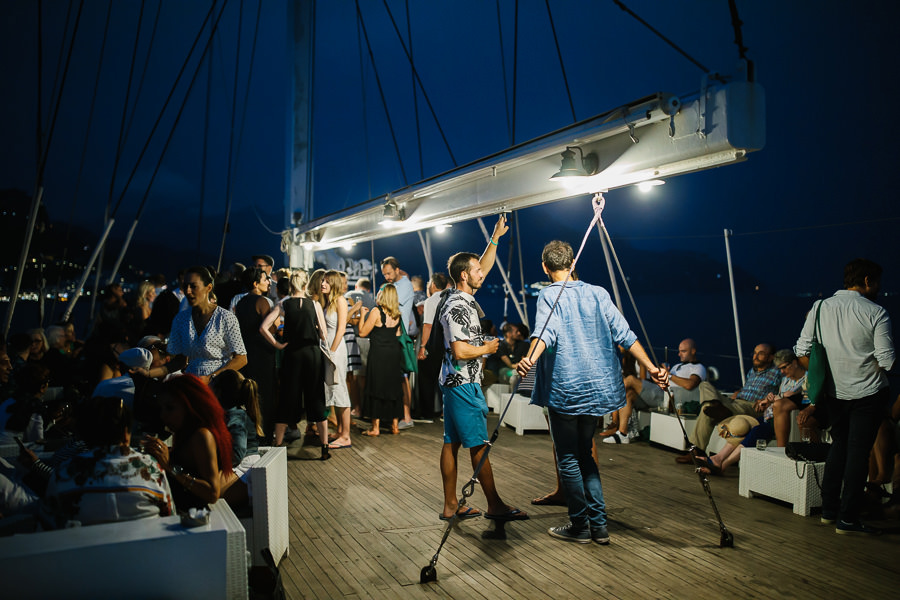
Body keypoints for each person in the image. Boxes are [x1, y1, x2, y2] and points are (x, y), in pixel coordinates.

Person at [517, 240, 667, 543]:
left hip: (566, 388)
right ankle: (599, 526)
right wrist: (651, 367)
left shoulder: (549, 294)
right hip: (597, 388)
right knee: (585, 454)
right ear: (573, 264)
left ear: (545, 268)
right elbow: (625, 334)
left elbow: (547, 332)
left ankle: (580, 526)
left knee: (569, 458)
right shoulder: (599, 293)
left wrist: (530, 359)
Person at [437, 215, 527, 523]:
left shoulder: (457, 296)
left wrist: (495, 239)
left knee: (451, 442)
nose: (482, 274)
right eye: (476, 271)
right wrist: (488, 347)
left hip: (453, 383)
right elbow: (460, 350)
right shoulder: (458, 307)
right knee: (478, 443)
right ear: (464, 276)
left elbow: (483, 265)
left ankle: (451, 505)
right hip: (463, 383)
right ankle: (495, 505)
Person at [795, 258, 894, 535]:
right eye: (877, 282)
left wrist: (829, 373)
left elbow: (802, 350)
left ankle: (829, 511)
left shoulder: (820, 306)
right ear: (866, 281)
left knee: (839, 445)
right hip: (868, 393)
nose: (878, 287)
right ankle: (848, 518)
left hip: (833, 393)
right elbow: (886, 361)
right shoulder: (877, 312)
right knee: (858, 453)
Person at [43, 396, 174, 528]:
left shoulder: (63, 472)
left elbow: (48, 527)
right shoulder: (151, 468)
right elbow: (170, 518)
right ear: (125, 433)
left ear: (84, 434)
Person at [259, 270, 331, 459]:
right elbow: (324, 335)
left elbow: (263, 328)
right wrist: (315, 329)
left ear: (291, 285)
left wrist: (278, 345)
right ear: (306, 285)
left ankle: (278, 445)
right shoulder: (314, 304)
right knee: (316, 397)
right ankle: (324, 448)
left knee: (287, 397)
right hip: (312, 354)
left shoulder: (284, 304)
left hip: (292, 355)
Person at [701, 349, 806, 475]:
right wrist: (767, 400)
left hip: (781, 420)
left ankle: (723, 465)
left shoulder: (806, 379)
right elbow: (779, 398)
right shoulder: (786, 380)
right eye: (780, 369)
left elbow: (796, 398)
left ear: (794, 363)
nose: (782, 372)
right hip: (768, 415)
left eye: (784, 368)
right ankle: (718, 458)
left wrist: (779, 398)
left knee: (756, 431)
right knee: (742, 427)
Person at [144, 374, 239, 510]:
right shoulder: (184, 432)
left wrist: (171, 467)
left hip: (192, 519)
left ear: (190, 404)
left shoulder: (201, 436)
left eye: (170, 408)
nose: (163, 415)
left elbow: (212, 493)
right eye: (161, 409)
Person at [675, 343, 781, 463]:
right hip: (735, 402)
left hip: (752, 406)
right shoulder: (753, 371)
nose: (755, 356)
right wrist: (739, 391)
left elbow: (784, 391)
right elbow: (749, 388)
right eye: (754, 353)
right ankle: (716, 405)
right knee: (704, 386)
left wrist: (766, 401)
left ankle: (696, 451)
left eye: (760, 354)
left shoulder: (778, 372)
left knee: (707, 410)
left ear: (771, 357)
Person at [613, 338, 706, 443]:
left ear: (693, 351)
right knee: (628, 394)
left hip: (669, 399)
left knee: (630, 379)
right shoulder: (676, 366)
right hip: (659, 392)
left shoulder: (698, 368)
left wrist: (669, 374)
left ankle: (607, 396)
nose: (679, 354)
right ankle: (623, 434)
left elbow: (690, 384)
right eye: (679, 351)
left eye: (683, 351)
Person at [167, 265, 248, 384]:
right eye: (185, 286)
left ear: (208, 287)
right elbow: (179, 360)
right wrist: (148, 372)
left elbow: (241, 358)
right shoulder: (181, 319)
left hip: (219, 383)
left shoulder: (225, 317)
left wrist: (212, 377)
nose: (188, 291)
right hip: (192, 381)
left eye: (193, 286)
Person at [234, 266, 277, 439]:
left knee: (250, 394)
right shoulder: (263, 302)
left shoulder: (241, 303)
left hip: (246, 353)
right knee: (265, 394)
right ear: (255, 283)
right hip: (262, 353)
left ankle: (251, 433)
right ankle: (265, 434)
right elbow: (270, 329)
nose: (268, 282)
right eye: (265, 279)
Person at [357, 284, 404, 437]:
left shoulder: (376, 312)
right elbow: (397, 335)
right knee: (394, 387)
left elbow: (363, 332)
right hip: (393, 354)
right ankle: (395, 425)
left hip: (378, 355)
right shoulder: (398, 314)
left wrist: (362, 315)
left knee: (376, 387)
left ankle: (375, 427)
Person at [321, 270, 354, 449]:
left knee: (340, 389)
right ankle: (341, 431)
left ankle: (346, 436)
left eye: (326, 281)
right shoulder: (329, 302)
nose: (322, 284)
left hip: (336, 351)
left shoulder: (341, 300)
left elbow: (341, 329)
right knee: (334, 389)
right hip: (329, 350)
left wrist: (332, 352)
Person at [416, 272, 451, 419]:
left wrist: (422, 346)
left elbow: (427, 326)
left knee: (426, 379)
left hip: (434, 345)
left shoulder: (431, 301)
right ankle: (446, 412)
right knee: (446, 381)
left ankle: (427, 414)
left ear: (433, 285)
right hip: (449, 346)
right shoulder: (450, 299)